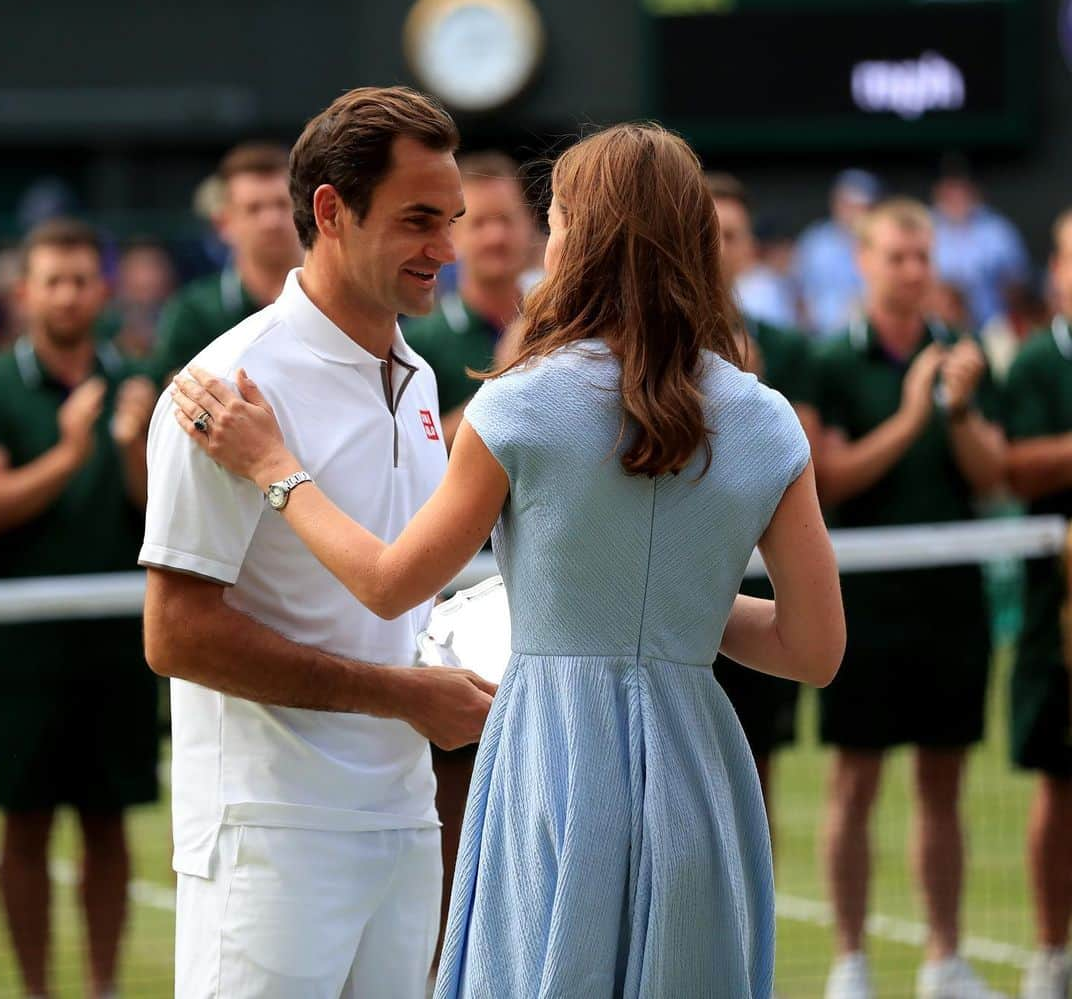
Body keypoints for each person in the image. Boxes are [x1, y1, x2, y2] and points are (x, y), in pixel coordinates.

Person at [169, 122, 846, 998]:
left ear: (585, 237)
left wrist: (273, 467)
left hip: (552, 762)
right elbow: (813, 650)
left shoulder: (518, 404)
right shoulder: (765, 416)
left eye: (556, 219)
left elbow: (388, 583)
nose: (544, 239)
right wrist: (656, 602)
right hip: (701, 771)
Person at [139, 86, 496, 998]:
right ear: (332, 212)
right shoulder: (225, 383)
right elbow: (174, 634)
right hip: (269, 834)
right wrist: (400, 694)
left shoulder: (418, 378)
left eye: (452, 220)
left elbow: (389, 596)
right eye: (420, 220)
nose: (446, 250)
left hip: (404, 819)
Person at [812, 199, 1007, 999]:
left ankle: (943, 959)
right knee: (854, 781)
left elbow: (991, 475)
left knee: (945, 784)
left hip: (950, 599)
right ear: (864, 262)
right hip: (862, 602)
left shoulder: (960, 353)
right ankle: (851, 961)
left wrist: (955, 408)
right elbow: (830, 478)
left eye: (924, 258)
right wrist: (911, 411)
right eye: (897, 256)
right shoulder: (831, 358)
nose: (914, 271)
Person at [0, 218, 159, 999]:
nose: (67, 293)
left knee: (108, 823)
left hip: (116, 642)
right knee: (22, 825)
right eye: (51, 279)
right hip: (20, 653)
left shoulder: (135, 378)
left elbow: (158, 509)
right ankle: (34, 992)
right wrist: (65, 452)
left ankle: (99, 989)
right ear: (24, 292)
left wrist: (130, 445)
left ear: (103, 289)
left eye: (81, 278)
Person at [401, 147, 535, 971]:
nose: (490, 237)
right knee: (453, 817)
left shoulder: (564, 327)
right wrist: (503, 390)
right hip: (449, 600)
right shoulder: (422, 335)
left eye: (503, 220)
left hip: (544, 603)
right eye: (472, 221)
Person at [706, 172, 821, 845]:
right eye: (707, 234)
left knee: (755, 777)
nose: (719, 249)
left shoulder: (789, 347)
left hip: (755, 585)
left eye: (731, 235)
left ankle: (754, 940)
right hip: (667, 597)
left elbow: (799, 467)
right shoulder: (634, 350)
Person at [1002, 206, 1072, 999]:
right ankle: (1052, 950)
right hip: (1060, 609)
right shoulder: (1034, 366)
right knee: (1059, 778)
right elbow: (1013, 469)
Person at [403, 150, 534, 449]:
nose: (496, 237)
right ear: (453, 235)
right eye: (480, 223)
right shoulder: (419, 342)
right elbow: (414, 451)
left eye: (507, 220)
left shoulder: (562, 323)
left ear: (529, 225)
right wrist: (504, 384)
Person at [148, 141, 303, 381]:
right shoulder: (193, 313)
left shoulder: (337, 302)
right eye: (254, 209)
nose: (271, 220)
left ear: (305, 211)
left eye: (282, 204)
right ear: (223, 224)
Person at [931, 156, 1031, 332]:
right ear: (939, 191)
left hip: (993, 326)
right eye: (950, 189)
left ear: (974, 191)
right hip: (937, 326)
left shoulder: (998, 230)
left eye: (962, 189)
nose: (956, 195)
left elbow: (1018, 283)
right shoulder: (925, 226)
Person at [794, 168, 880, 337]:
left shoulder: (880, 242)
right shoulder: (815, 242)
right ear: (836, 204)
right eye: (849, 205)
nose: (855, 213)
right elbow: (799, 296)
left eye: (862, 207)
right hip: (818, 337)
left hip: (866, 337)